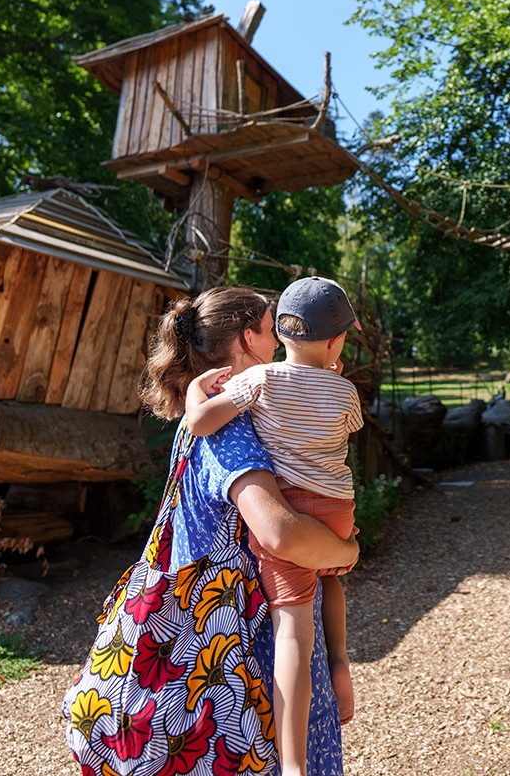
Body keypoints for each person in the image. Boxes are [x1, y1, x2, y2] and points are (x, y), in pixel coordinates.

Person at [66, 285, 356, 775]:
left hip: (221, 649)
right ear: (248, 341)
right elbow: (281, 535)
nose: (281, 345)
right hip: (244, 667)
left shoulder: (221, 416)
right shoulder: (232, 429)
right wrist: (345, 552)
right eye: (271, 331)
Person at [185, 276, 363, 776]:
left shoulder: (259, 382)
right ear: (335, 341)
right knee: (331, 577)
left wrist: (198, 393)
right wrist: (331, 376)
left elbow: (200, 422)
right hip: (336, 507)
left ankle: (292, 765)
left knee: (293, 632)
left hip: (292, 507)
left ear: (280, 335)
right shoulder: (345, 391)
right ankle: (343, 664)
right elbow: (346, 424)